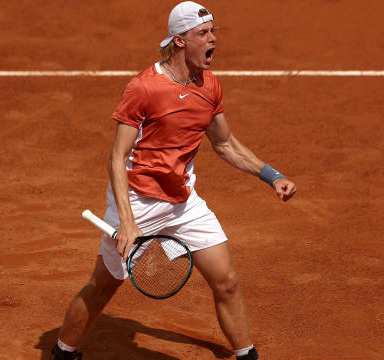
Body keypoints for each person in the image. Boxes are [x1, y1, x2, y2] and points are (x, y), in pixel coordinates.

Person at [52, 2, 296, 359]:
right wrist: (128, 223)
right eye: (203, 34)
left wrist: (271, 176)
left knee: (226, 281)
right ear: (180, 41)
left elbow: (225, 143)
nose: (213, 40)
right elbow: (116, 158)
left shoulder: (209, 86)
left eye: (213, 32)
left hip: (183, 202)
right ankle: (63, 352)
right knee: (104, 285)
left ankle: (247, 355)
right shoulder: (144, 88)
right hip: (137, 200)